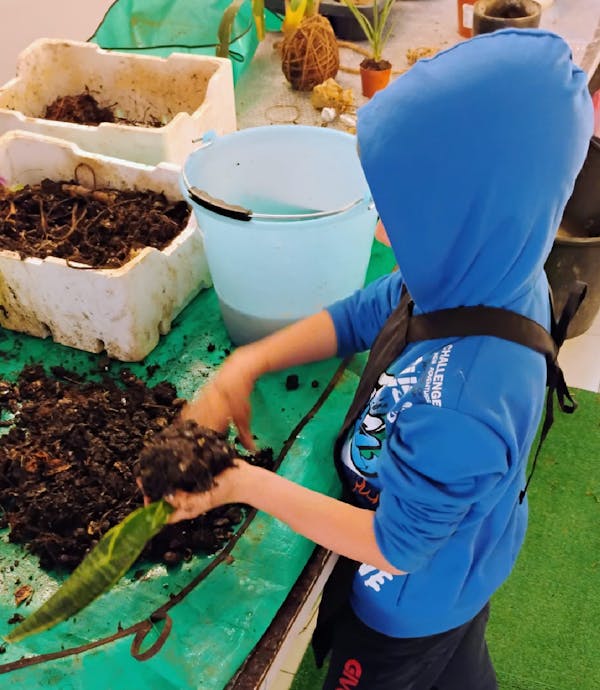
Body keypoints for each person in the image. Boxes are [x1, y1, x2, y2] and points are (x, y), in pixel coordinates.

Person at [142, 29, 593, 690]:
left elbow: (396, 546)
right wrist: (247, 365)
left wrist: (243, 484)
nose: (383, 230)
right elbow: (361, 314)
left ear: (470, 220)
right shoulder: (477, 271)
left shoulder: (467, 399)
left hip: (406, 608)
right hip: (466, 549)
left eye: (407, 216)